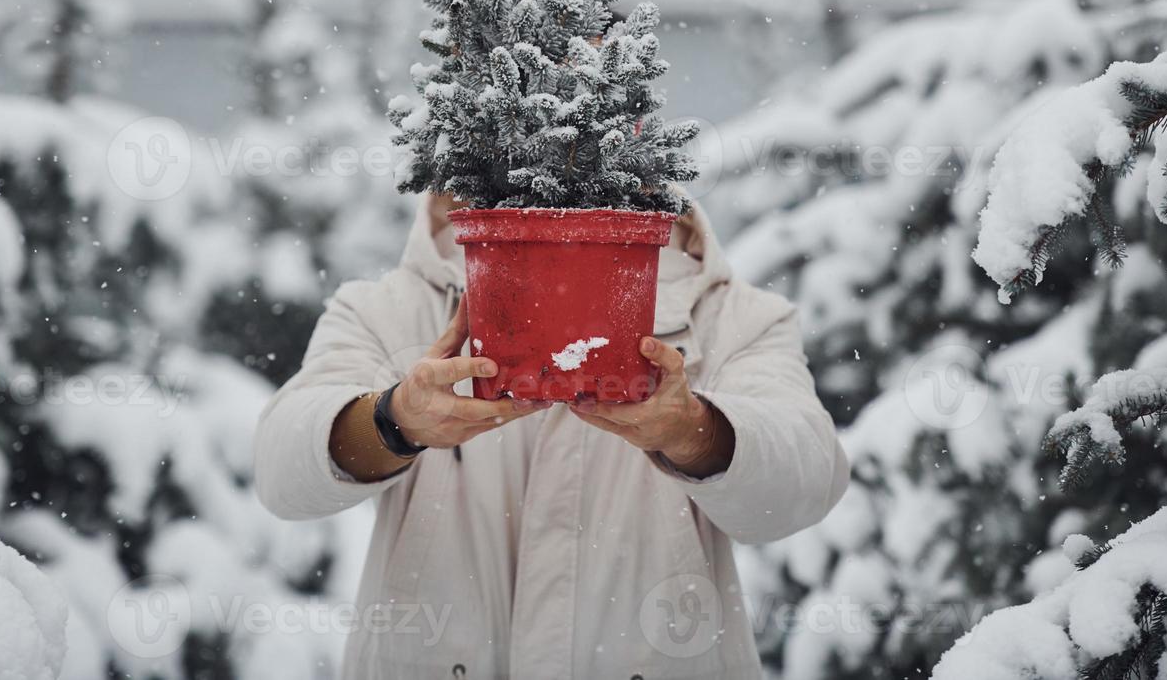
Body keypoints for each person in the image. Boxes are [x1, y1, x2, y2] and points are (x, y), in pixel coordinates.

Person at [253, 193, 849, 678]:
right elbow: (283, 472)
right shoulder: (386, 311)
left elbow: (803, 484)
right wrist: (391, 422)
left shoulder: (732, 318)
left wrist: (695, 431)